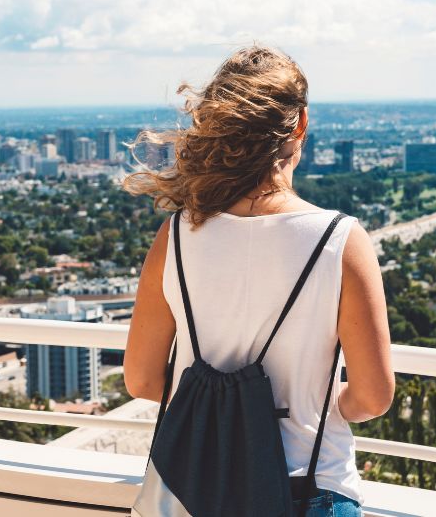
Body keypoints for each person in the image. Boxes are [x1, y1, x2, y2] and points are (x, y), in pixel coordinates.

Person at [122, 45, 394, 517]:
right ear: (301, 124)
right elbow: (372, 396)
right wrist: (320, 404)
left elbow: (143, 380)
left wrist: (220, 408)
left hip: (193, 489)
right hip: (308, 485)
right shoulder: (340, 241)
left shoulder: (176, 237)